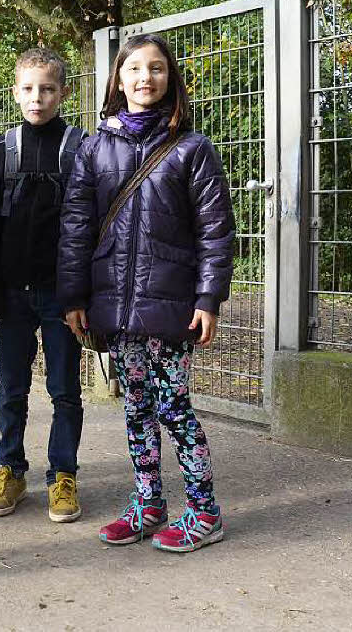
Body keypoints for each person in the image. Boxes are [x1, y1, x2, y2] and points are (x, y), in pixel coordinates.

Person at [58, 33, 235, 553]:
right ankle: (148, 504)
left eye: (156, 68)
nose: (144, 78)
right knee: (135, 407)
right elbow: (76, 228)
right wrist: (75, 297)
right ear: (118, 79)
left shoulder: (192, 149)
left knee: (174, 408)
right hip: (115, 306)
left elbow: (215, 229)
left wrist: (208, 299)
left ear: (170, 78)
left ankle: (205, 512)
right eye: (134, 68)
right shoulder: (96, 147)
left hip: (172, 306)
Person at [0, 48, 85, 521]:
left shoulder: (79, 147)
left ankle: (63, 476)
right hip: (14, 295)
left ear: (63, 93)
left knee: (64, 389)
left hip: (62, 297)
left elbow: (90, 225)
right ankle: (11, 470)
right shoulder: (4, 149)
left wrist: (81, 295)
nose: (36, 98)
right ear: (15, 91)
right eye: (27, 88)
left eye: (47, 89)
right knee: (11, 388)